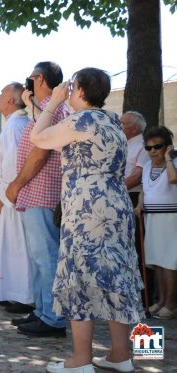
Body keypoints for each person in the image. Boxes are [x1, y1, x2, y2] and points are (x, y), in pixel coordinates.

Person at [30, 68, 143, 373]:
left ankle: (80, 360)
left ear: (79, 91)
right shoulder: (113, 122)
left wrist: (52, 102)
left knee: (79, 276)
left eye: (72, 88)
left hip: (87, 208)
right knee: (115, 275)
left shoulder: (81, 120)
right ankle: (121, 355)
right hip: (116, 205)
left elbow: (38, 137)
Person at [6, 62, 69, 336]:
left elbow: (40, 153)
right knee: (41, 257)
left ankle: (53, 319)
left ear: (40, 78)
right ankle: (43, 311)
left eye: (31, 77)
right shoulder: (45, 108)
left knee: (47, 258)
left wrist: (17, 184)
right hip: (38, 195)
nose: (28, 81)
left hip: (42, 194)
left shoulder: (51, 110)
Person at [0, 83, 33, 307]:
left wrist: (3, 196)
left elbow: (15, 165)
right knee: (8, 245)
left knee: (17, 246)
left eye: (2, 92)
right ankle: (8, 291)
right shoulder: (13, 124)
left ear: (10, 100)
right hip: (7, 195)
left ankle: (21, 296)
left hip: (14, 198)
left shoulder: (16, 127)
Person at [135, 126, 177, 320]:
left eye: (157, 147)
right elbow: (145, 188)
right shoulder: (147, 164)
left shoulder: (174, 162)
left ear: (167, 146)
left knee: (169, 262)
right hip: (151, 217)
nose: (152, 151)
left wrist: (169, 157)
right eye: (148, 148)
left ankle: (171, 304)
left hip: (170, 218)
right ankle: (160, 300)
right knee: (157, 262)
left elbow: (173, 179)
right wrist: (140, 204)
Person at [120, 111, 153, 309]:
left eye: (122, 123)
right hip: (122, 195)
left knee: (136, 248)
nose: (119, 126)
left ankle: (142, 297)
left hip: (133, 197)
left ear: (133, 127)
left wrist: (113, 189)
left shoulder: (141, 145)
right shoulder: (123, 143)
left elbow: (137, 176)